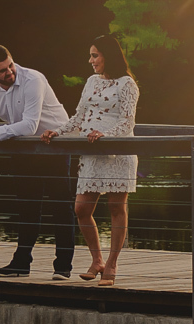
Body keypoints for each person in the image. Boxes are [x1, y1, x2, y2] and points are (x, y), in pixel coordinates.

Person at [0, 45, 77, 279]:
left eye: (11, 65)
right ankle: (21, 264)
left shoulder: (33, 79)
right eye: (3, 71)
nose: (10, 72)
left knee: (60, 205)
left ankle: (63, 267)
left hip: (54, 142)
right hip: (22, 145)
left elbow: (30, 125)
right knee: (28, 205)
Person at [41, 35, 139, 287]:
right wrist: (58, 131)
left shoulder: (127, 84)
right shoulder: (92, 81)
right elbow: (79, 116)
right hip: (91, 153)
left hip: (117, 152)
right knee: (81, 209)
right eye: (91, 55)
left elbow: (127, 122)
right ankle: (97, 260)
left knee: (117, 208)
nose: (91, 60)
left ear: (109, 55)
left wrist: (107, 136)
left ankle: (112, 265)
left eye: (95, 55)